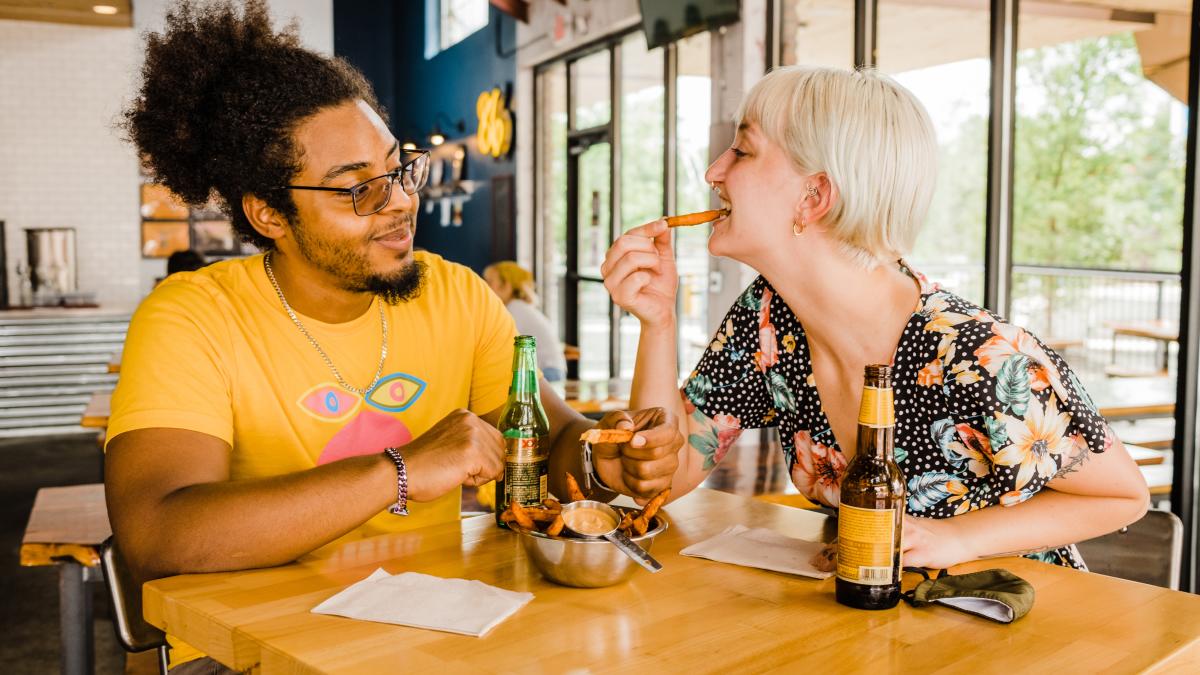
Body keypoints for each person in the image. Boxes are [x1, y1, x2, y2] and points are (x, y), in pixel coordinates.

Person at [106, 1, 681, 670]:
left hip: (436, 635)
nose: (399, 202)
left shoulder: (457, 294)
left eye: (396, 168)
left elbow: (551, 442)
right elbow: (158, 533)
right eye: (356, 190)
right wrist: (402, 468)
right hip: (248, 650)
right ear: (270, 214)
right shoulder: (192, 318)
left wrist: (600, 457)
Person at [601, 65, 1148, 571]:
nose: (713, 171)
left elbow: (1124, 495)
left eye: (741, 151)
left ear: (813, 196)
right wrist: (658, 324)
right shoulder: (768, 319)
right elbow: (661, 479)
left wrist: (953, 540)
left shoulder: (976, 358)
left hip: (1012, 622)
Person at [483, 261, 568, 382]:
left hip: (546, 374)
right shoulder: (520, 307)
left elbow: (500, 350)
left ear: (506, 285)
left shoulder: (515, 309)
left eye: (490, 282)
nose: (485, 287)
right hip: (550, 371)